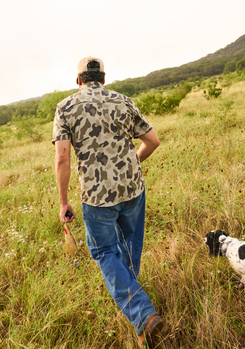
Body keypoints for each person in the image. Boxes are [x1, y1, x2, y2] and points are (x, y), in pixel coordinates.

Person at [52, 57, 163, 347]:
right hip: (132, 189)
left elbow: (62, 157)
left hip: (96, 197)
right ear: (103, 78)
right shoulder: (124, 101)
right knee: (128, 245)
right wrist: (131, 164)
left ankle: (141, 313)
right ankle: (137, 311)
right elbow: (152, 141)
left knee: (103, 252)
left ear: (78, 81)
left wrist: (63, 201)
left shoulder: (65, 107)